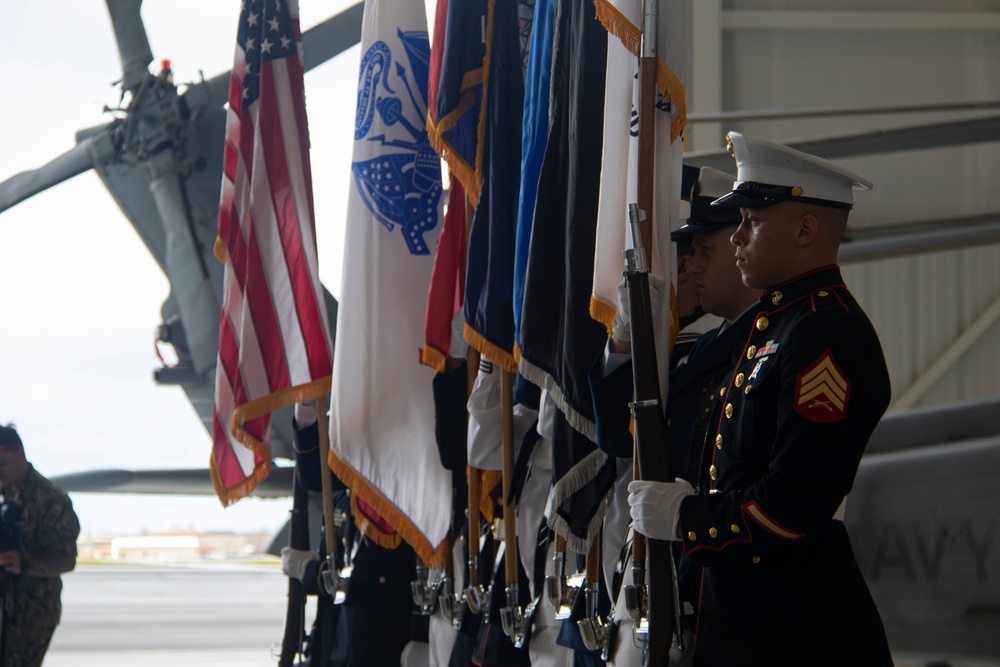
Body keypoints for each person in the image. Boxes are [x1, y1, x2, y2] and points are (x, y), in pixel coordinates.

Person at [628, 132, 894, 666]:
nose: (735, 239)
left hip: (790, 626)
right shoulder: (778, 326)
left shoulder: (824, 332)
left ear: (804, 229)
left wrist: (688, 517)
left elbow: (794, 503)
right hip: (745, 615)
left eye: (751, 222)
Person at [0, 424, 80, 667]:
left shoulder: (51, 501)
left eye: (1, 464)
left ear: (19, 453)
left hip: (30, 614)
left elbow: (66, 560)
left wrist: (24, 563)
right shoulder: (8, 492)